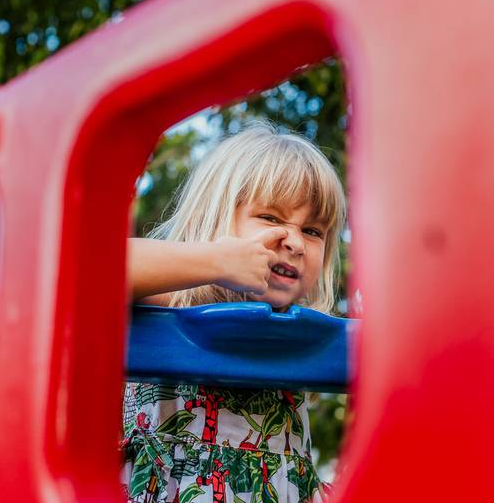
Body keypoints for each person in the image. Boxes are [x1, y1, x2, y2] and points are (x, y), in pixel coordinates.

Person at [121, 123, 346, 503]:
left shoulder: (305, 336)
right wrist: (215, 260)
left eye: (312, 231)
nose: (293, 242)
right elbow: (82, 269)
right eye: (271, 219)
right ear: (214, 217)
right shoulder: (176, 299)